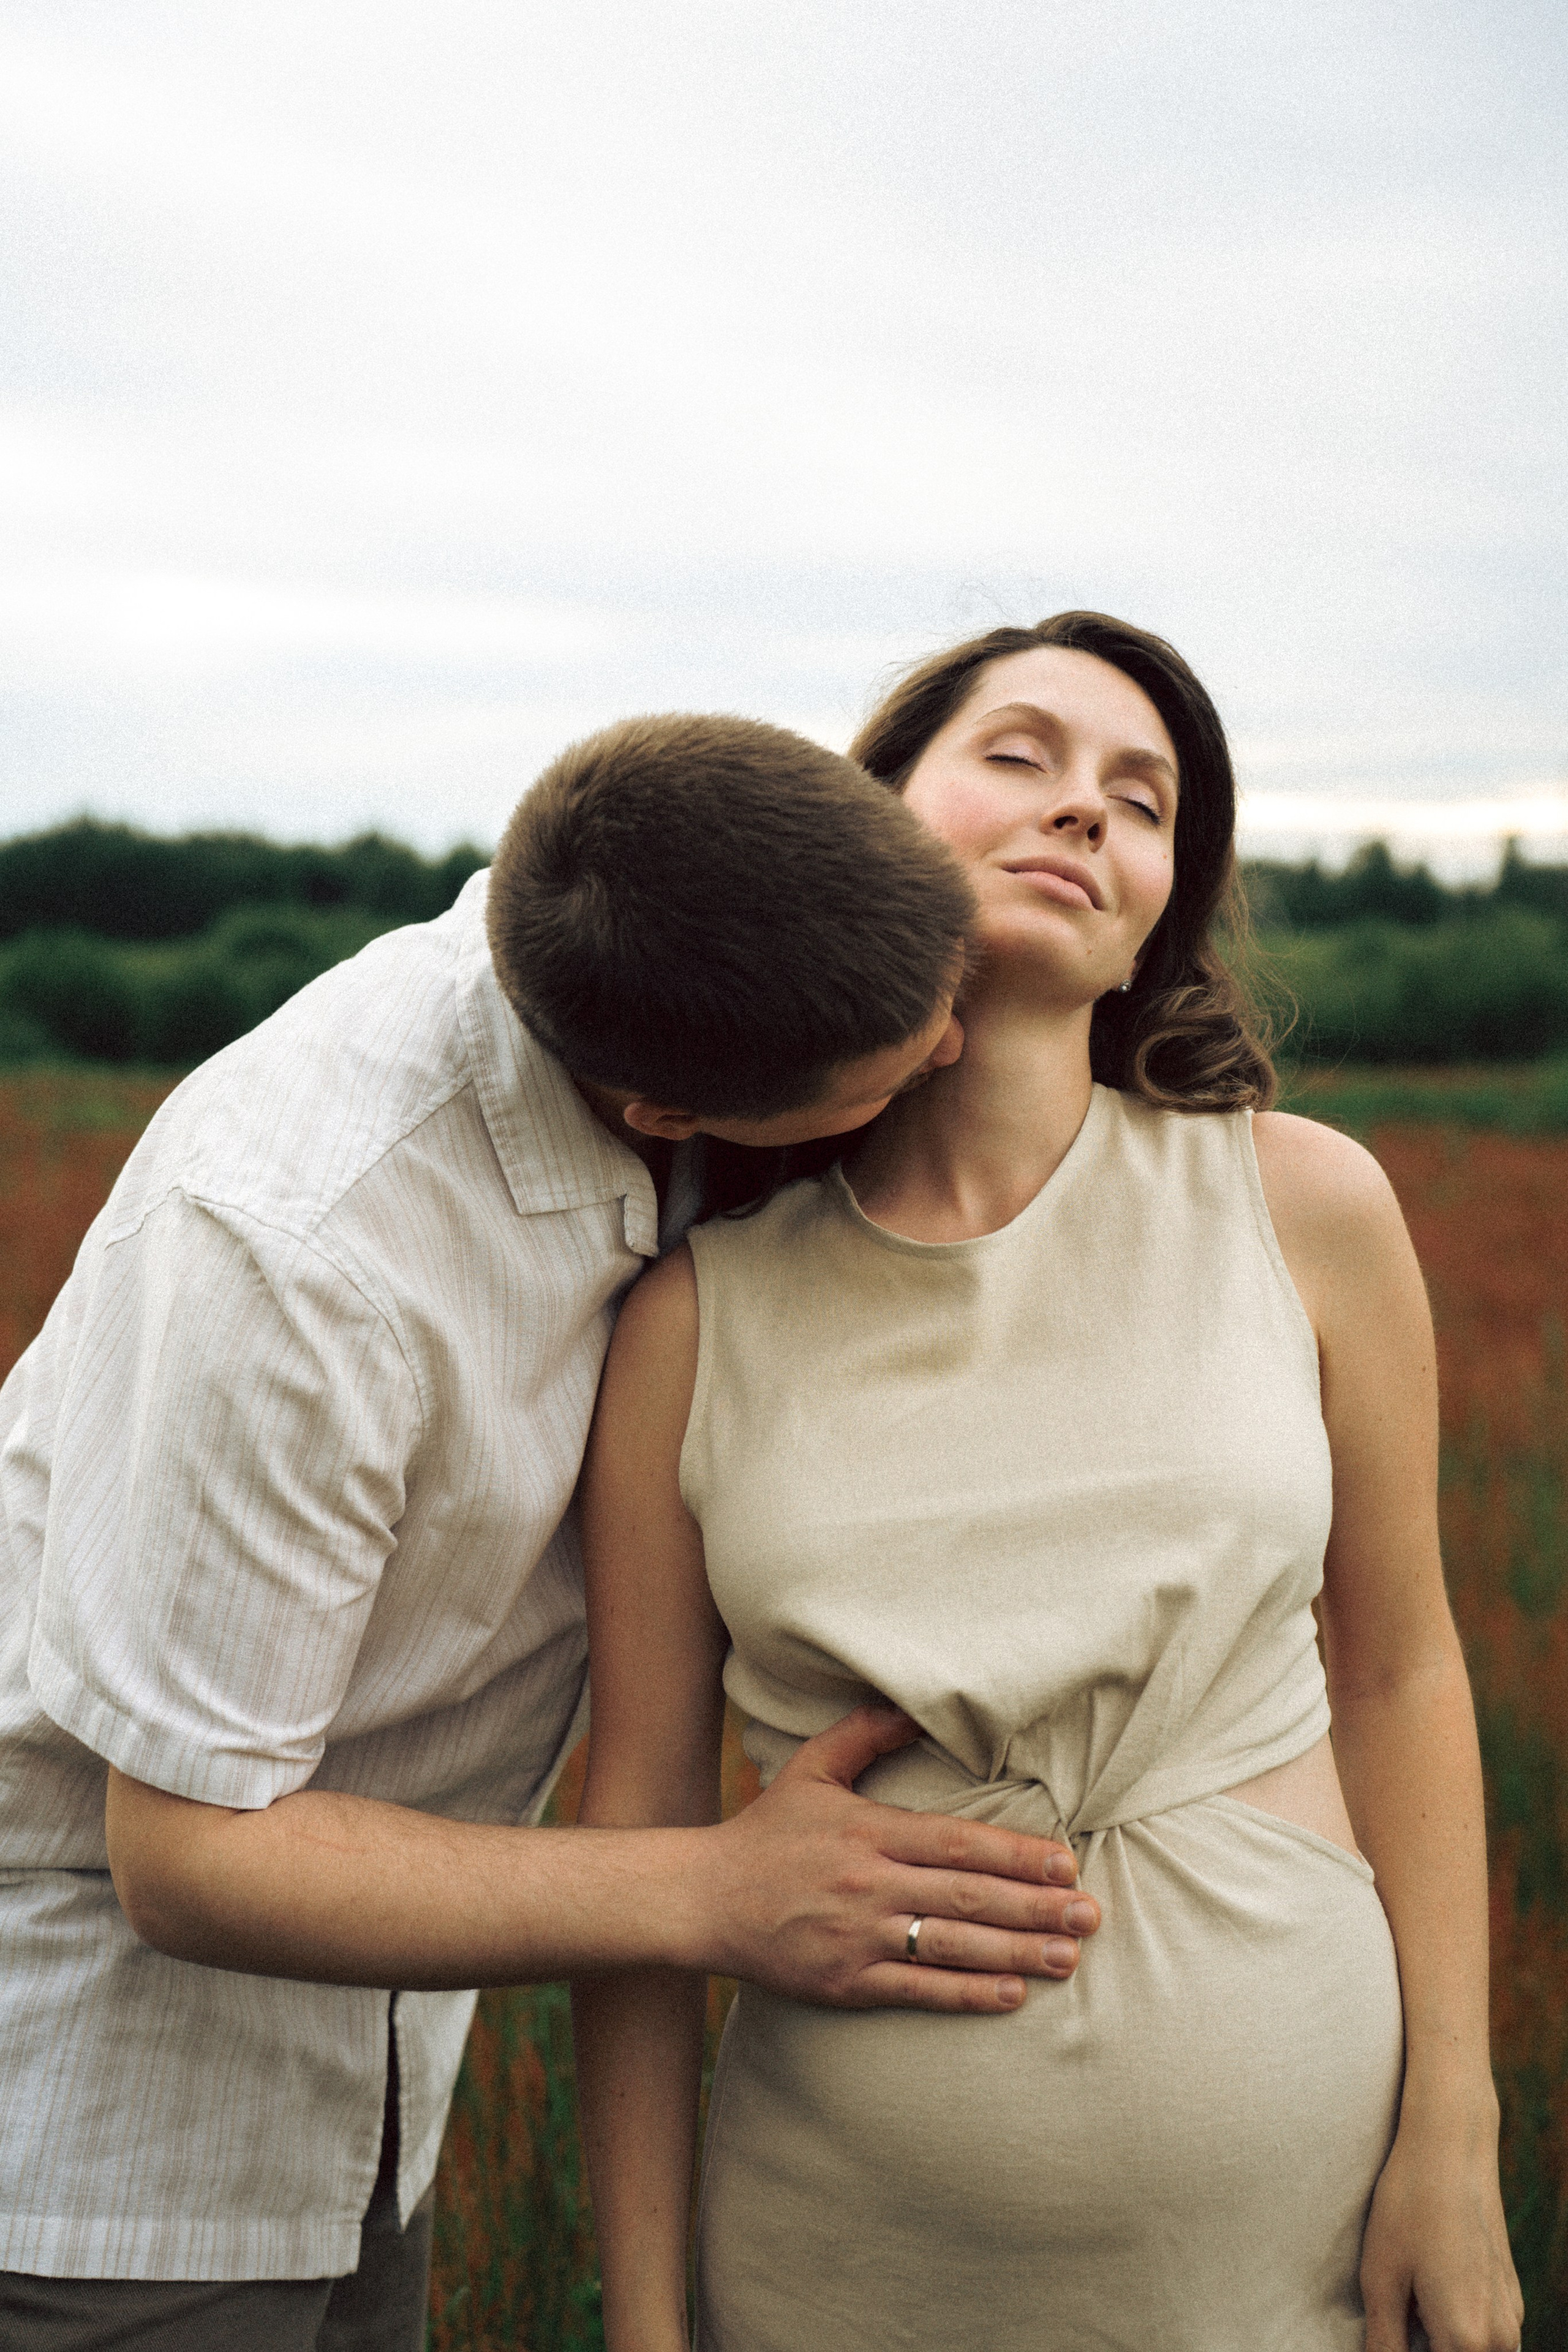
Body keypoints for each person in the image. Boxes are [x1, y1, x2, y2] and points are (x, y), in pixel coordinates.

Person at [0, 714, 1099, 2351]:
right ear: (666, 1106)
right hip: (114, 2146)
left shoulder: (659, 927)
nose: (955, 1048)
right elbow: (191, 1858)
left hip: (372, 2103)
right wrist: (717, 1891)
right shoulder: (297, 1261)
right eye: (903, 1060)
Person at [573, 620, 1526, 2352]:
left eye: (1141, 801)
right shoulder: (693, 1321)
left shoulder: (1308, 1208)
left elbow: (1402, 1670)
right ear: (872, 818)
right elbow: (635, 1843)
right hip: (840, 2260)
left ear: (1158, 911)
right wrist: (642, 2327)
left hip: (1298, 2240)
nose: (1086, 809)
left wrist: (1457, 2139)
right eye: (1020, 756)